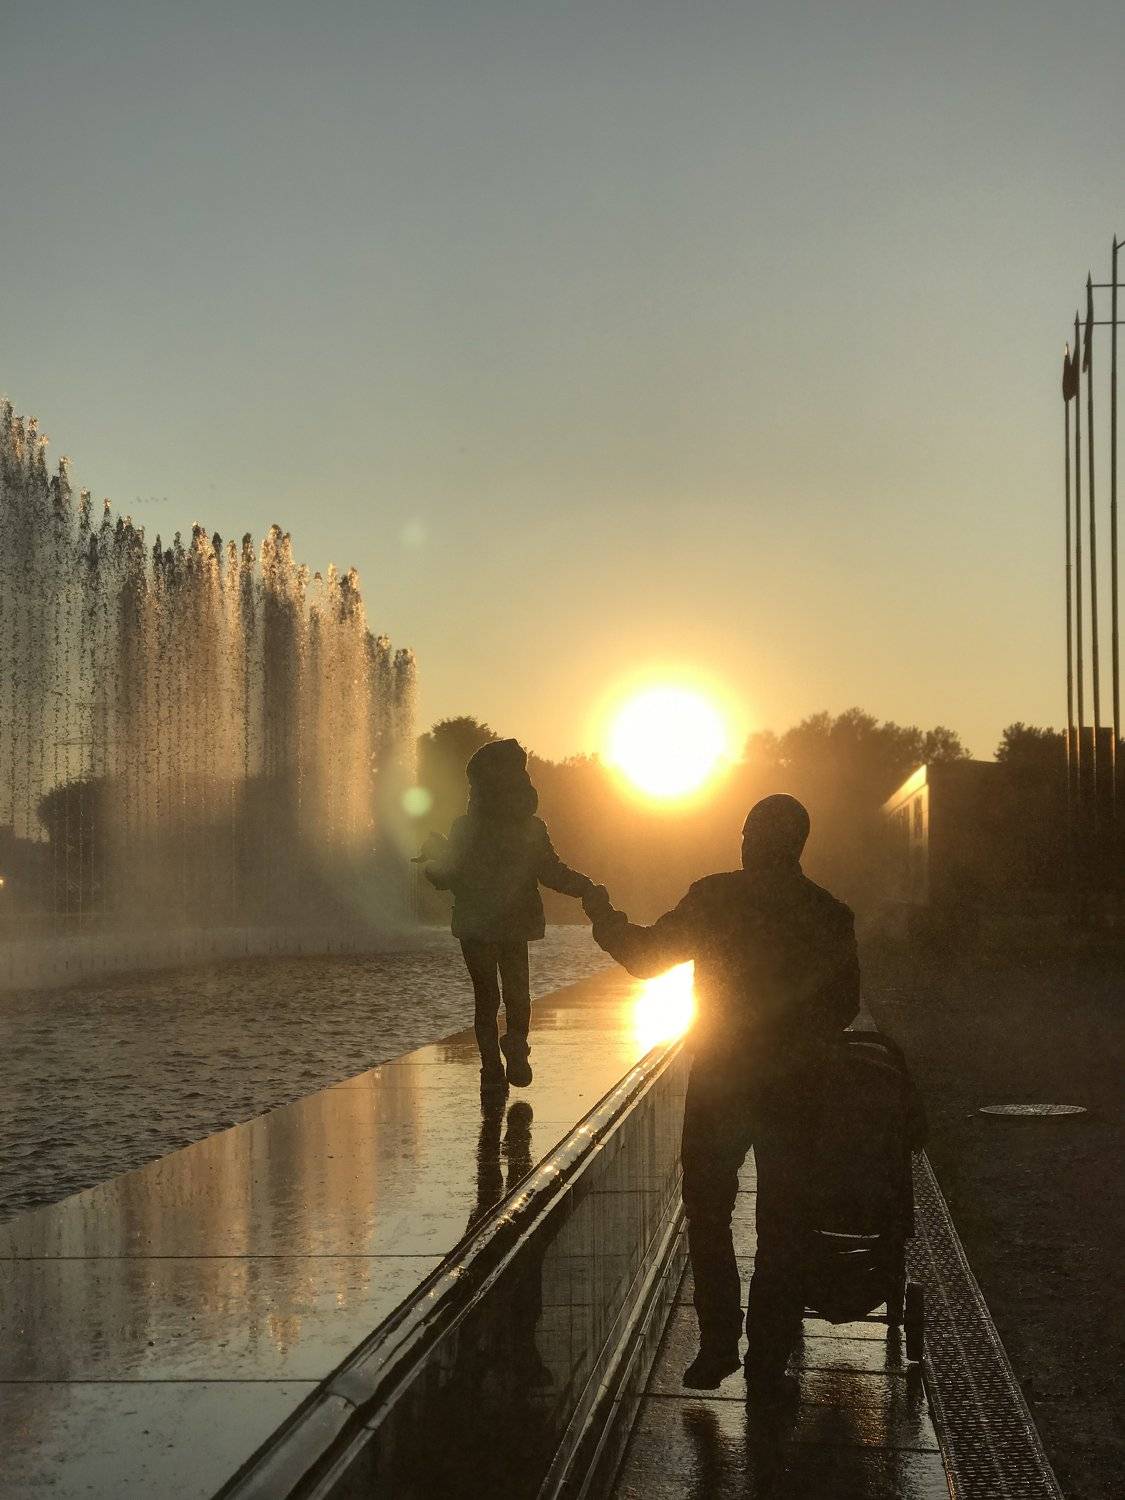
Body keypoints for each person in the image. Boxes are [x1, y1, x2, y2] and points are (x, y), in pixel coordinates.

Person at [582, 794, 860, 1398]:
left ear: (754, 839)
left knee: (708, 1212)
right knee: (784, 1221)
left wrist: (603, 917)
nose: (742, 839)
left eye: (747, 830)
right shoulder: (829, 914)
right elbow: (845, 1006)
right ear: (799, 844)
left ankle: (717, 1343)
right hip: (795, 1087)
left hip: (722, 1079)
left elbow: (646, 956)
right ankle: (768, 1355)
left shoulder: (715, 897)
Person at [422, 738, 596, 1099]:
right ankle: (516, 1043)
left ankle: (490, 1070)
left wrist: (433, 859)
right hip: (515, 923)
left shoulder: (466, 828)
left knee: (486, 999)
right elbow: (552, 872)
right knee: (518, 994)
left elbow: (447, 876)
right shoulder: (531, 828)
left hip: (475, 925)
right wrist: (586, 888)